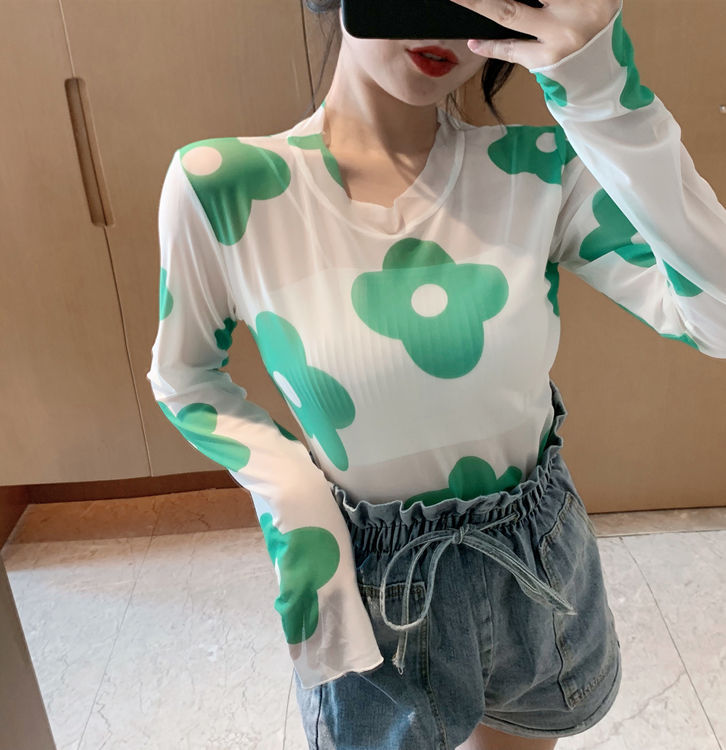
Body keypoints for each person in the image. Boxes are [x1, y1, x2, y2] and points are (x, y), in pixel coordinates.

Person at [146, 0, 726, 745]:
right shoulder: (226, 186)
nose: (448, 22)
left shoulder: (540, 170)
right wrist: (290, 492)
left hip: (535, 562)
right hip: (365, 582)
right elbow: (186, 377)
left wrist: (602, 94)